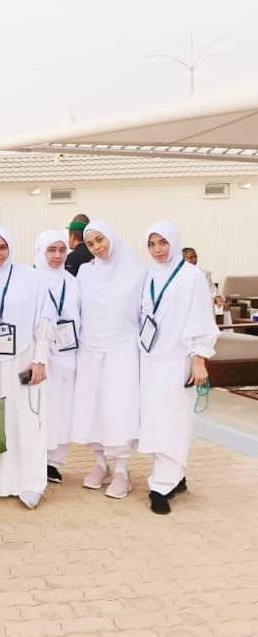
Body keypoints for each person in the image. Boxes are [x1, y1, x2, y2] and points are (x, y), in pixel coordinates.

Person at [140, 222, 218, 514]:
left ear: (174, 242)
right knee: (156, 419)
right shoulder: (149, 275)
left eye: (163, 243)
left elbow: (202, 320)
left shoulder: (191, 276)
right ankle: (176, 476)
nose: (158, 249)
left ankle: (161, 486)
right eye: (152, 244)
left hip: (179, 360)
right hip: (150, 360)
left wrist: (199, 359)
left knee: (174, 419)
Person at [0, 227, 54, 509]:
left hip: (23, 360)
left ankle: (32, 483)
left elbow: (45, 317)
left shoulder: (31, 278)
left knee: (29, 420)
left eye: (2, 247)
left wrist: (40, 359)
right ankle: (2, 481)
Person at [70, 220, 146, 500]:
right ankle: (101, 464)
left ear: (111, 237)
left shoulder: (136, 272)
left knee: (119, 409)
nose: (97, 247)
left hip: (122, 351)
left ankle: (122, 471)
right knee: (94, 408)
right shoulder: (85, 274)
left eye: (100, 240)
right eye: (90, 244)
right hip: (90, 350)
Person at [33, 229, 82, 484]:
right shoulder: (30, 280)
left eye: (62, 250)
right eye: (51, 250)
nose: (57, 255)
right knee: (40, 408)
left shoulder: (72, 282)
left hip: (67, 353)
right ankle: (36, 458)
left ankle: (54, 462)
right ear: (40, 251)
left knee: (63, 409)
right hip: (40, 356)